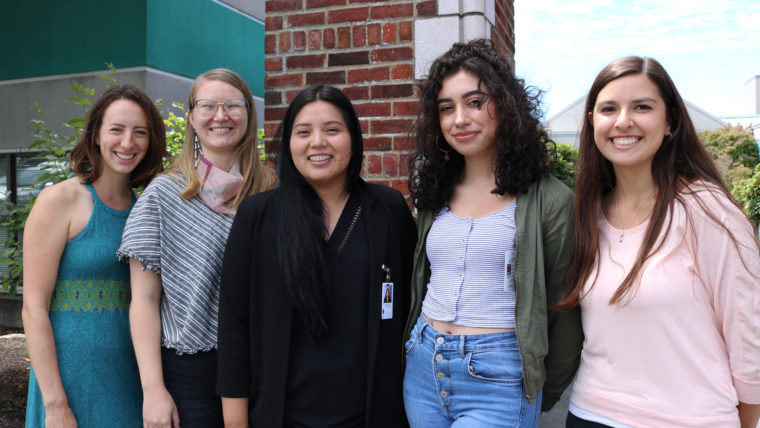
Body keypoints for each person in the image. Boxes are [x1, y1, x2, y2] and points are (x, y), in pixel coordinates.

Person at [556, 56, 760, 428]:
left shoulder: (708, 210)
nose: (623, 121)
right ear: (592, 122)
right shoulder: (587, 212)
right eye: (608, 109)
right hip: (590, 413)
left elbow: (748, 332)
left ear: (669, 122)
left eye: (642, 107)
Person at [402, 38, 583, 427]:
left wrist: (538, 392)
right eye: (446, 108)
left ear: (504, 105)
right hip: (423, 366)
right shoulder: (434, 192)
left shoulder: (549, 199)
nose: (459, 119)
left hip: (500, 377)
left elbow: (565, 309)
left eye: (474, 102)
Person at [216, 84, 417, 427]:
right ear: (288, 145)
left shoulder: (388, 210)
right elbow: (234, 326)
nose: (317, 142)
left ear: (353, 140)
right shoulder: (259, 216)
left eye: (332, 130)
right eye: (303, 132)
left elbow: (414, 308)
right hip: (283, 416)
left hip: (374, 414)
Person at [118, 69, 276, 428]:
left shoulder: (273, 192)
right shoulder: (162, 196)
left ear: (249, 115)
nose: (221, 116)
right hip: (189, 373)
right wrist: (153, 388)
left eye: (233, 106)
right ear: (191, 116)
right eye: (208, 106)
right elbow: (144, 300)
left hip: (262, 365)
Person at [23, 85, 166, 427]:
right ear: (96, 134)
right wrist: (55, 404)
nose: (128, 142)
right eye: (117, 129)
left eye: (140, 132)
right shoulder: (60, 200)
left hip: (133, 374)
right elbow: (33, 308)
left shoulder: (146, 207)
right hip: (70, 377)